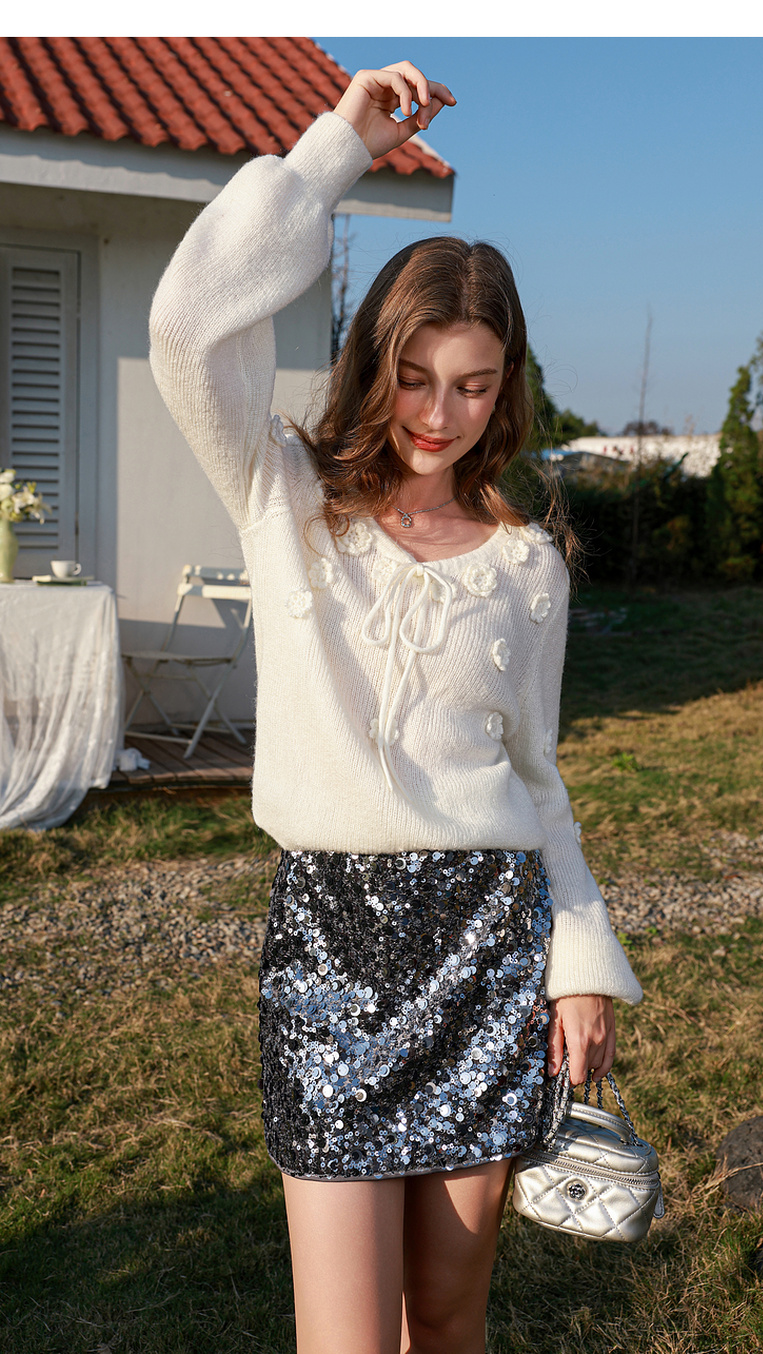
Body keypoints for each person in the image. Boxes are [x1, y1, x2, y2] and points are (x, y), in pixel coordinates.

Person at [150, 60, 642, 1354]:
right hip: (329, 947)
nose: (439, 413)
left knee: (449, 1316)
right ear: (375, 361)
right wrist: (335, 151)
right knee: (349, 1339)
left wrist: (579, 967)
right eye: (415, 375)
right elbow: (186, 324)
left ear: (507, 383)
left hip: (485, 946)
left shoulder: (527, 568)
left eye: (472, 382)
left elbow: (536, 778)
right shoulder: (282, 492)